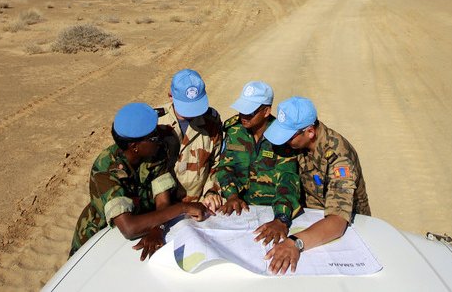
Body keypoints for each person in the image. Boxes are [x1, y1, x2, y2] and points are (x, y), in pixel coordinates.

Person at [69, 102, 208, 260]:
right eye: (153, 136)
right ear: (134, 146)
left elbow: (162, 201)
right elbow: (129, 227)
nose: (159, 138)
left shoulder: (155, 151)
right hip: (99, 237)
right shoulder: (105, 170)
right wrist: (182, 207)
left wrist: (158, 227)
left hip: (145, 222)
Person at [262, 96, 371, 274]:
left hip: (347, 229)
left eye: (288, 136)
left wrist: (294, 243)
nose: (284, 142)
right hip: (311, 220)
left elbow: (337, 221)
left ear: (310, 132)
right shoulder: (299, 142)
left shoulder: (339, 157)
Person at [212, 81, 301, 245]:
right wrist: (231, 194)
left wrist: (281, 218)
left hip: (271, 213)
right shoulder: (233, 129)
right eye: (241, 110)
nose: (243, 116)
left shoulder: (281, 136)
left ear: (266, 111)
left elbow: (287, 178)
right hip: (238, 210)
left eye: (250, 112)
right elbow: (225, 167)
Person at [157, 68, 224, 211]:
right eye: (185, 107)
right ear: (170, 96)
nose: (191, 114)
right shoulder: (156, 122)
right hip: (162, 210)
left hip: (201, 205)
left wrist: (212, 191)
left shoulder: (211, 121)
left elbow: (217, 162)